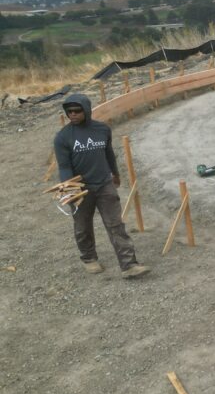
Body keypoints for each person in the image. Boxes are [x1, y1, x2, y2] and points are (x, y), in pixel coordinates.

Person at [53, 94, 149, 278]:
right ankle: (89, 258)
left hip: (104, 183)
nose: (72, 114)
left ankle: (129, 265)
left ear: (87, 110)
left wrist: (116, 174)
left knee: (115, 224)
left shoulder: (102, 129)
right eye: (69, 112)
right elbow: (64, 166)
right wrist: (70, 190)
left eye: (77, 111)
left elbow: (109, 154)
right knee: (82, 226)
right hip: (80, 188)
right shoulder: (62, 138)